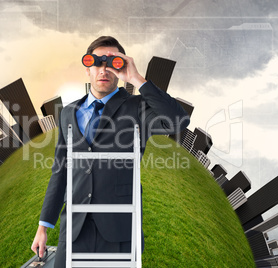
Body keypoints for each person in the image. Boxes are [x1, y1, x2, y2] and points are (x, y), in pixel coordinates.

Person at [31, 36, 189, 267]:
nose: (103, 70)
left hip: (119, 227)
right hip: (75, 229)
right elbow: (60, 171)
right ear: (87, 67)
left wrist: (136, 78)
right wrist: (43, 227)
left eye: (112, 62)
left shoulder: (138, 108)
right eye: (97, 62)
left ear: (121, 66)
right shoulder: (68, 112)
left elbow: (178, 121)